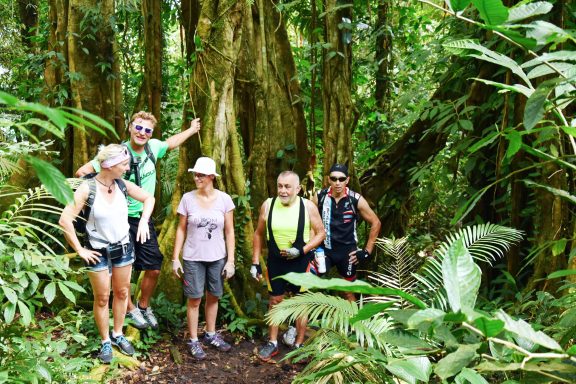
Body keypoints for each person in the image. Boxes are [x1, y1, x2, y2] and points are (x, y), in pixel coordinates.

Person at [76, 111, 201, 330]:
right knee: (119, 269)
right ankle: (130, 309)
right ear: (130, 127)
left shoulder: (153, 147)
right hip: (117, 220)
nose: (142, 133)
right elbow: (83, 172)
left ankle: (143, 306)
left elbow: (170, 143)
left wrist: (191, 130)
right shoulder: (117, 153)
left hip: (143, 217)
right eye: (139, 127)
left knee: (153, 266)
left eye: (147, 130)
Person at [59, 144, 155, 363]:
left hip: (123, 248)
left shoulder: (122, 185)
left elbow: (149, 198)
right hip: (97, 252)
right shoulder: (87, 188)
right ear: (109, 165)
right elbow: (65, 220)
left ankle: (118, 334)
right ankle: (105, 341)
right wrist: (79, 249)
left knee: (122, 293)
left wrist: (143, 222)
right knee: (102, 298)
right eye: (123, 164)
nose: (127, 167)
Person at [251, 171, 325, 361]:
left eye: (287, 187)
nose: (283, 191)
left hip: (301, 261)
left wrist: (302, 250)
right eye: (280, 186)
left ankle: (299, 346)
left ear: (298, 189)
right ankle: (273, 342)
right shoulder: (268, 205)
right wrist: (255, 263)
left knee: (301, 304)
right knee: (275, 301)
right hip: (276, 262)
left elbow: (320, 233)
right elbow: (258, 234)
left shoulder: (307, 206)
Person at [171, 157, 236, 360]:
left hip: (217, 256)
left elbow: (230, 231)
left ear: (211, 177)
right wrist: (175, 258)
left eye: (200, 175)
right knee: (194, 298)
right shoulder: (187, 199)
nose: (196, 178)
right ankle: (193, 339)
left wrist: (231, 261)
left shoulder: (224, 199)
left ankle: (210, 334)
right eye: (195, 174)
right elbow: (181, 230)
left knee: (214, 295)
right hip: (193, 257)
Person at [314, 164, 381, 301]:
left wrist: (367, 252)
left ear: (347, 180)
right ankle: (302, 320)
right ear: (328, 180)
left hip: (348, 253)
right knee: (308, 281)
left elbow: (376, 223)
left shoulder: (355, 199)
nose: (337, 183)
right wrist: (310, 248)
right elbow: (309, 221)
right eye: (334, 179)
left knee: (348, 291)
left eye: (341, 179)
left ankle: (354, 322)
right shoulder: (319, 196)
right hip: (325, 250)